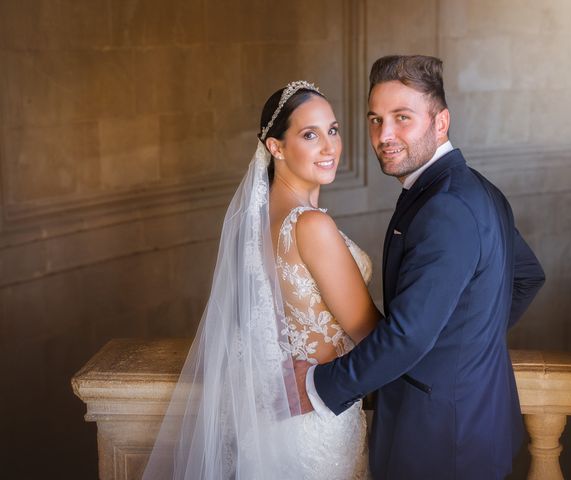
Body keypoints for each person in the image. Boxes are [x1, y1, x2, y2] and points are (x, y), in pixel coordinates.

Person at [294, 55, 546, 479]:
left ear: (441, 122)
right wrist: (465, 342)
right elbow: (527, 277)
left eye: (402, 118)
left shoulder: (445, 206)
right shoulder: (477, 188)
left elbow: (408, 337)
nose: (384, 135)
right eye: (375, 120)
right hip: (476, 424)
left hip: (439, 440)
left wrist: (316, 388)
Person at [142, 80, 380, 479]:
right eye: (310, 134)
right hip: (319, 418)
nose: (330, 147)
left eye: (333, 130)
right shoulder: (312, 226)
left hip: (272, 422)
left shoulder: (252, 223)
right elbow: (374, 336)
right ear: (276, 147)